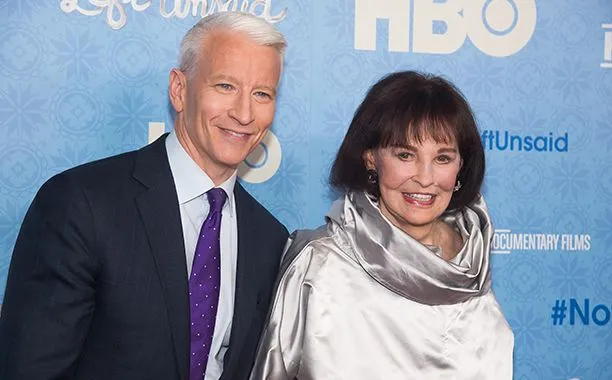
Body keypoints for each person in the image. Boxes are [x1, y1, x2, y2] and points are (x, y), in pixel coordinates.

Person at [0, 12, 289, 380]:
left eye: (262, 94)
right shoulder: (81, 204)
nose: (244, 113)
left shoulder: (269, 238)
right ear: (179, 89)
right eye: (225, 86)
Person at [250, 71, 514, 379]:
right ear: (371, 158)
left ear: (461, 166)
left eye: (442, 158)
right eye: (405, 155)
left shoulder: (470, 266)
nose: (425, 177)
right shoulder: (318, 263)